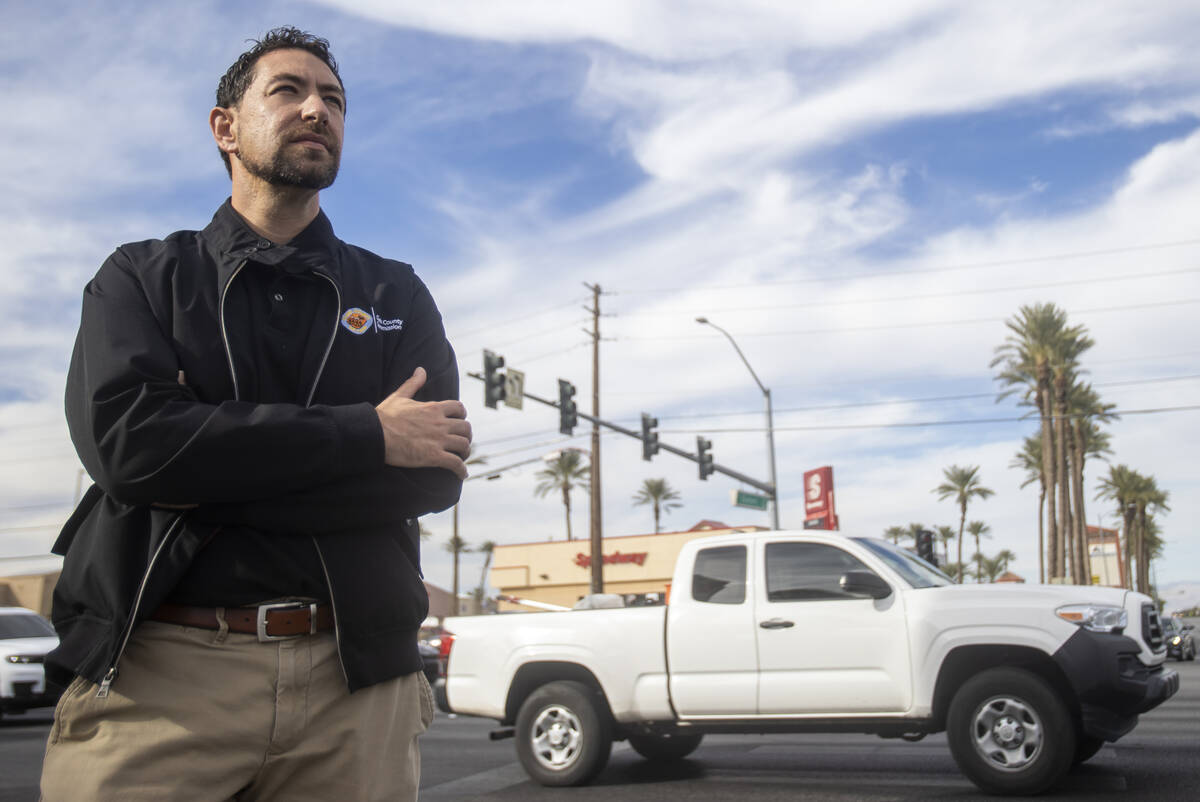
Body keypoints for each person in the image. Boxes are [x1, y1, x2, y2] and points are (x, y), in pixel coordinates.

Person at [40, 26, 470, 801]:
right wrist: (367, 435)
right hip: (162, 679)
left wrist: (206, 459)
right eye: (288, 91)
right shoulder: (141, 278)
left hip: (356, 688)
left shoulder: (396, 295)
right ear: (225, 127)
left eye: (334, 100)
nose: (317, 110)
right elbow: (131, 451)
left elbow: (431, 477)